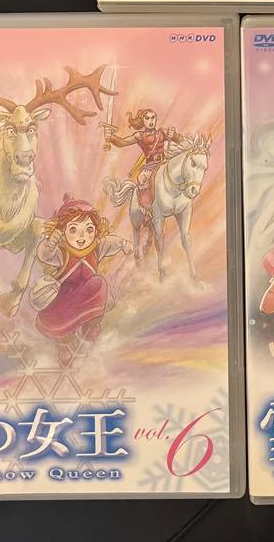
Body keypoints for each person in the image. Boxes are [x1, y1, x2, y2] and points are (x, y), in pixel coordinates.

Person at [34, 196, 132, 365]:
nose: (82, 236)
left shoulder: (96, 247)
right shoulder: (61, 252)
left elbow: (110, 242)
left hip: (88, 296)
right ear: (62, 231)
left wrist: (123, 244)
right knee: (62, 328)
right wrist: (50, 244)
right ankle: (65, 345)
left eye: (89, 229)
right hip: (65, 300)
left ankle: (90, 326)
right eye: (73, 230)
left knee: (98, 284)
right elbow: (45, 255)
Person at [103, 108, 178, 223]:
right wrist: (111, 137)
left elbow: (180, 139)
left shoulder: (162, 132)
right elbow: (122, 142)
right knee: (141, 178)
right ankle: (147, 210)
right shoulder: (139, 136)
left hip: (164, 163)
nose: (151, 121)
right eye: (147, 118)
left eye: (153, 117)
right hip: (151, 165)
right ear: (142, 121)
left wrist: (174, 135)